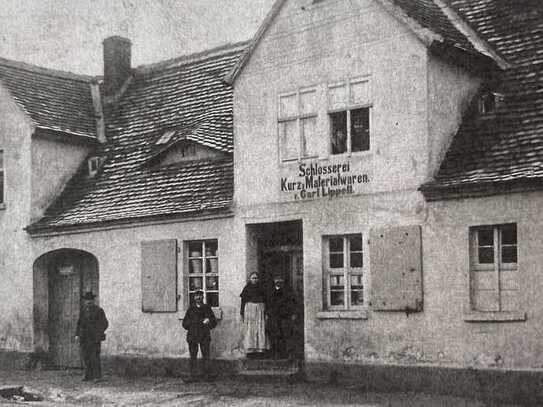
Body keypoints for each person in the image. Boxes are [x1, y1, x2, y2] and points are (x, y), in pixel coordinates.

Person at [182, 290, 217, 381]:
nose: (198, 298)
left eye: (200, 296)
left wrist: (208, 322)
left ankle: (207, 376)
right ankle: (192, 376)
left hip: (204, 335)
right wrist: (193, 324)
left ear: (203, 297)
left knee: (206, 356)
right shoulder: (191, 309)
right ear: (194, 298)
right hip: (193, 335)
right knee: (193, 356)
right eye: (196, 296)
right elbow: (184, 323)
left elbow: (214, 322)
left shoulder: (207, 308)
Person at [75, 291, 109, 382]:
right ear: (85, 301)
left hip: (94, 338)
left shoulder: (99, 311)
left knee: (94, 356)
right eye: (87, 300)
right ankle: (88, 375)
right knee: (86, 356)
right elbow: (79, 323)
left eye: (90, 300)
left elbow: (105, 323)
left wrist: (98, 332)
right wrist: (77, 334)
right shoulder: (83, 311)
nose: (88, 301)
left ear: (93, 300)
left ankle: (97, 376)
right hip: (84, 337)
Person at [266, 275, 297, 360]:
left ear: (283, 280)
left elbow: (293, 303)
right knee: (275, 335)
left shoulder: (288, 291)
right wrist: (268, 314)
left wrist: (293, 313)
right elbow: (268, 304)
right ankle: (277, 353)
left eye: (280, 279)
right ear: (273, 280)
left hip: (285, 316)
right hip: (274, 316)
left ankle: (290, 353)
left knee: (287, 335)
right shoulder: (271, 291)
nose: (278, 281)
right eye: (276, 279)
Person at [240, 272, 269, 358]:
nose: (255, 280)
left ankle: (260, 349)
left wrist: (266, 312)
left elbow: (266, 301)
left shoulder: (262, 289)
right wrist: (242, 313)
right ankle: (250, 349)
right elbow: (243, 302)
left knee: (260, 328)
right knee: (250, 328)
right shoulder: (246, 289)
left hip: (260, 309)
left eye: (256, 278)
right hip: (249, 310)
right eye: (253, 278)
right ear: (250, 279)